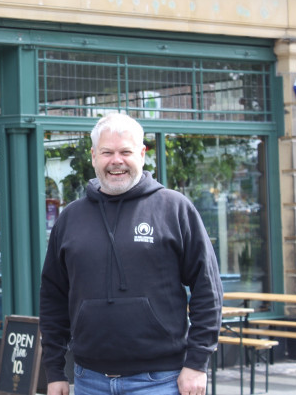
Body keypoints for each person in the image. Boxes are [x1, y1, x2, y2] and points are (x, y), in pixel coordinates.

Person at [39, 112, 223, 395]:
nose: (116, 161)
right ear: (93, 156)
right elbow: (53, 298)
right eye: (107, 152)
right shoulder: (70, 218)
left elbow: (207, 289)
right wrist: (54, 371)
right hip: (89, 380)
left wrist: (197, 363)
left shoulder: (174, 209)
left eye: (125, 151)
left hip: (161, 380)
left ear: (142, 153)